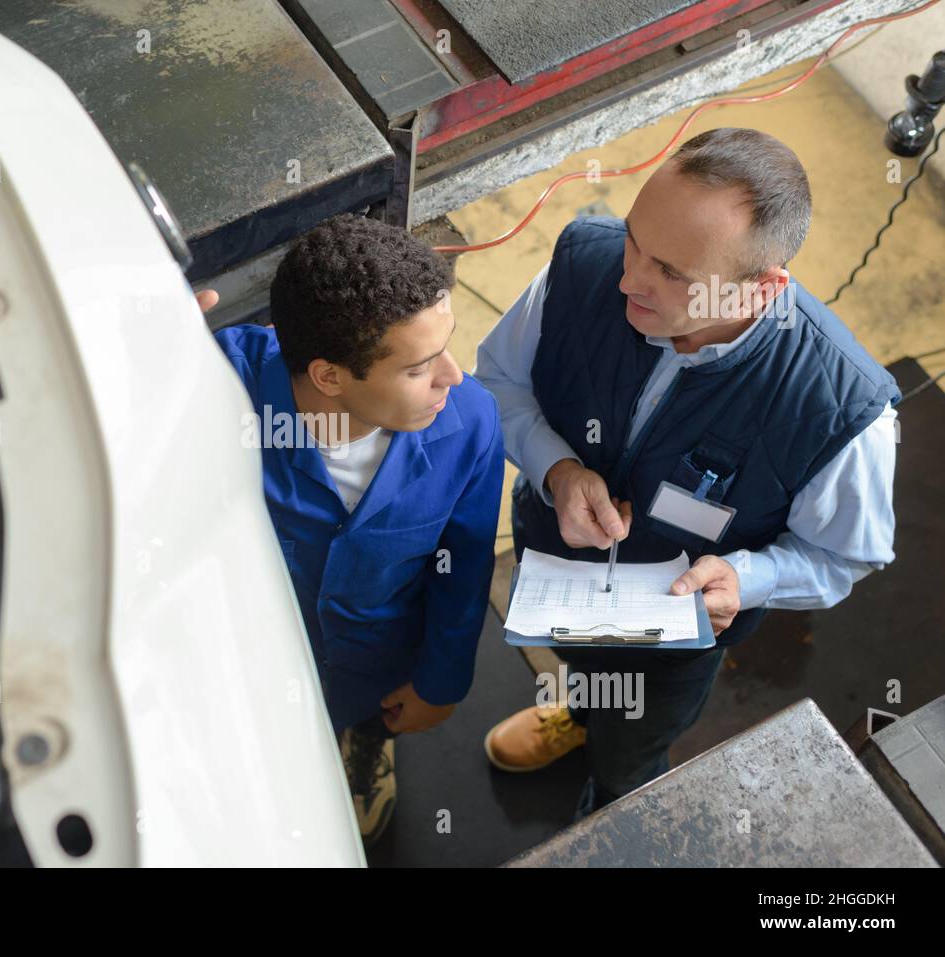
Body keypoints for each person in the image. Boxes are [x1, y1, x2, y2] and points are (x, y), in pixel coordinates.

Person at [474, 127, 900, 820]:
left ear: (763, 290)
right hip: (559, 578)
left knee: (631, 753)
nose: (628, 279)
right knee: (581, 665)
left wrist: (750, 578)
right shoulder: (584, 263)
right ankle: (580, 711)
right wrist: (556, 469)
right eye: (635, 239)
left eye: (673, 273)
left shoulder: (840, 409)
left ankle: (612, 806)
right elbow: (495, 383)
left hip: (671, 643)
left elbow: (844, 556)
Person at [212, 215, 504, 844]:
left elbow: (467, 567)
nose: (453, 377)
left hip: (377, 666)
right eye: (419, 367)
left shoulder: (471, 424)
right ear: (329, 377)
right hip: (248, 656)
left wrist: (441, 681)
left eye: (446, 347)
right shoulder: (217, 383)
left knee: (368, 720)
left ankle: (363, 749)